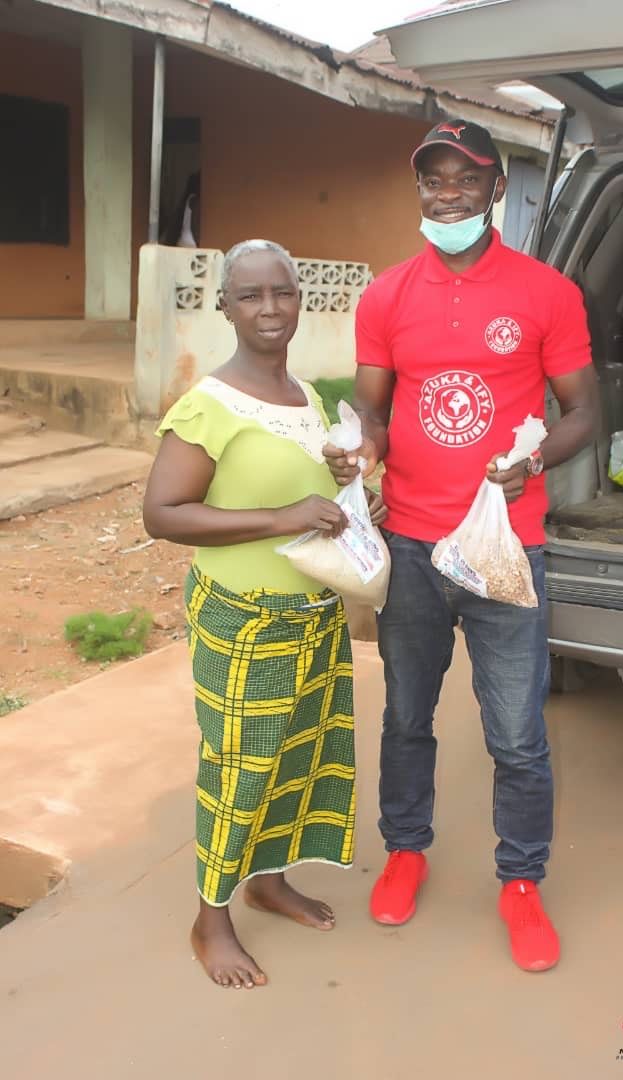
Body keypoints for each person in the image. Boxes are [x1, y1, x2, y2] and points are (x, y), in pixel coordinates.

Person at [323, 120, 600, 973]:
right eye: (433, 182)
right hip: (409, 545)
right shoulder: (386, 295)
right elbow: (372, 408)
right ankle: (406, 850)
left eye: (465, 181)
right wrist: (361, 448)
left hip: (505, 549)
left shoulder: (546, 291)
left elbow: (586, 415)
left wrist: (534, 458)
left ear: (495, 192)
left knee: (516, 733)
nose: (447, 196)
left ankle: (521, 881)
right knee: (406, 717)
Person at [143, 239, 385, 989]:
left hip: (309, 614)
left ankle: (268, 881)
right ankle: (210, 918)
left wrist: (344, 470)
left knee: (295, 758)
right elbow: (163, 513)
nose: (270, 308)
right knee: (239, 768)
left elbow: (314, 490)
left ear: (299, 298)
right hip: (242, 618)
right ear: (226, 307)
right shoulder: (207, 405)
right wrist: (283, 513)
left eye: (282, 292)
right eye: (250, 295)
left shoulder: (308, 398)